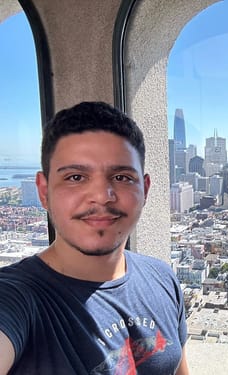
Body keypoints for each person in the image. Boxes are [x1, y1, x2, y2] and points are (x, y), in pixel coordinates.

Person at [0, 101, 189, 375]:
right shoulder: (17, 298)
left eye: (122, 177)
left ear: (144, 189)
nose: (102, 195)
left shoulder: (163, 278)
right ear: (44, 192)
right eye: (76, 177)